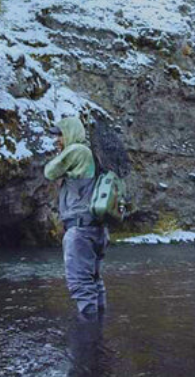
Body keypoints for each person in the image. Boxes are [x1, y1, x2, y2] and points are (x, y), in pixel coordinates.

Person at [44, 116, 110, 316]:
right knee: (94, 282)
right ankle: (98, 331)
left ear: (70, 133)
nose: (58, 140)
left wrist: (60, 153)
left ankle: (87, 338)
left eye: (60, 135)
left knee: (80, 284)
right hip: (96, 229)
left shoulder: (77, 151)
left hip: (80, 231)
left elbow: (50, 172)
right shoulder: (92, 156)